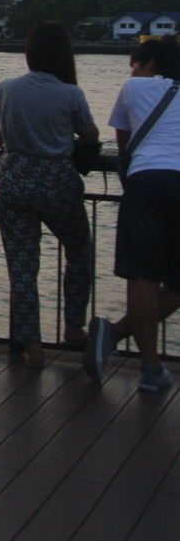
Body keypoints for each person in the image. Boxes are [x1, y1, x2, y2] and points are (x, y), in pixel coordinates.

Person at [0, 22, 96, 368]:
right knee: (79, 250)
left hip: (14, 181)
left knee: (22, 268)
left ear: (29, 52)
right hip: (57, 184)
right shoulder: (70, 94)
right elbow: (90, 135)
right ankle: (73, 326)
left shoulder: (7, 88)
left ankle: (29, 344)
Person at [85, 37, 180, 392]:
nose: (132, 70)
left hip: (145, 181)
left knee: (142, 276)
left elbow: (124, 144)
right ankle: (112, 336)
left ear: (150, 64)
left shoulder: (134, 87)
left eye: (135, 63)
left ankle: (149, 368)